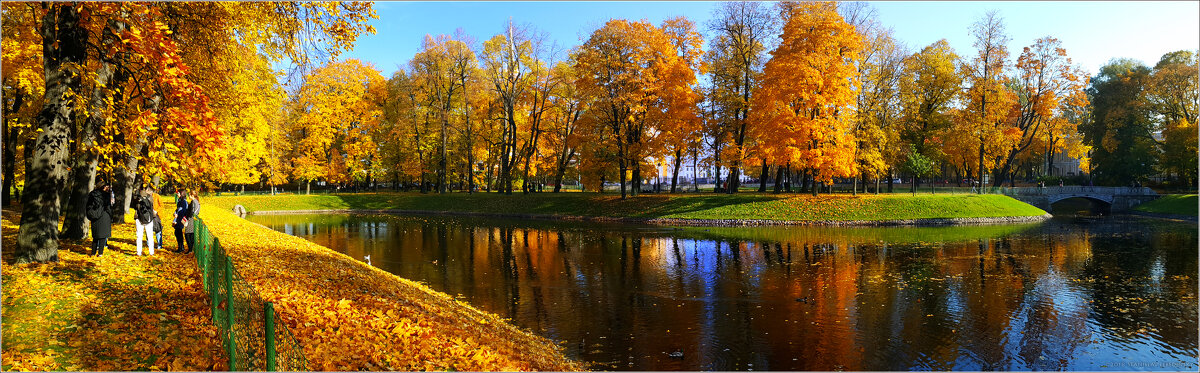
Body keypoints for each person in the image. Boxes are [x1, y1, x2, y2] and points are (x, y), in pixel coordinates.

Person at [85, 178, 114, 257]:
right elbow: (108, 207)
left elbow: (89, 205)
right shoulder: (106, 195)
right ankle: (100, 253)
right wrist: (111, 215)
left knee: (95, 236)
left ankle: (93, 253)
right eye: (106, 186)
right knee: (102, 236)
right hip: (104, 215)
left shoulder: (92, 194)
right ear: (103, 187)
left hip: (95, 216)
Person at [134, 186, 157, 256]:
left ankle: (139, 252)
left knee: (139, 236)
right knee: (150, 236)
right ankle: (151, 252)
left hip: (139, 218)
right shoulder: (150, 198)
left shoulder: (137, 198)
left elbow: (134, 206)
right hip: (149, 219)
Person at [181, 190, 201, 254]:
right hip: (191, 219)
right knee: (190, 234)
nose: (188, 196)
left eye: (189, 195)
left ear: (192, 195)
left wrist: (188, 218)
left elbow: (193, 212)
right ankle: (190, 249)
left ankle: (190, 249)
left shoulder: (194, 202)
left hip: (191, 220)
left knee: (188, 234)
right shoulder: (195, 202)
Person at [172, 188, 189, 253]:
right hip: (178, 218)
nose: (177, 194)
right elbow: (178, 209)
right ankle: (180, 247)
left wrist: (178, 215)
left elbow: (183, 211)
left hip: (181, 219)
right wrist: (175, 212)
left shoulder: (184, 202)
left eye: (178, 193)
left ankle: (181, 247)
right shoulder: (179, 201)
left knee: (179, 233)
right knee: (177, 232)